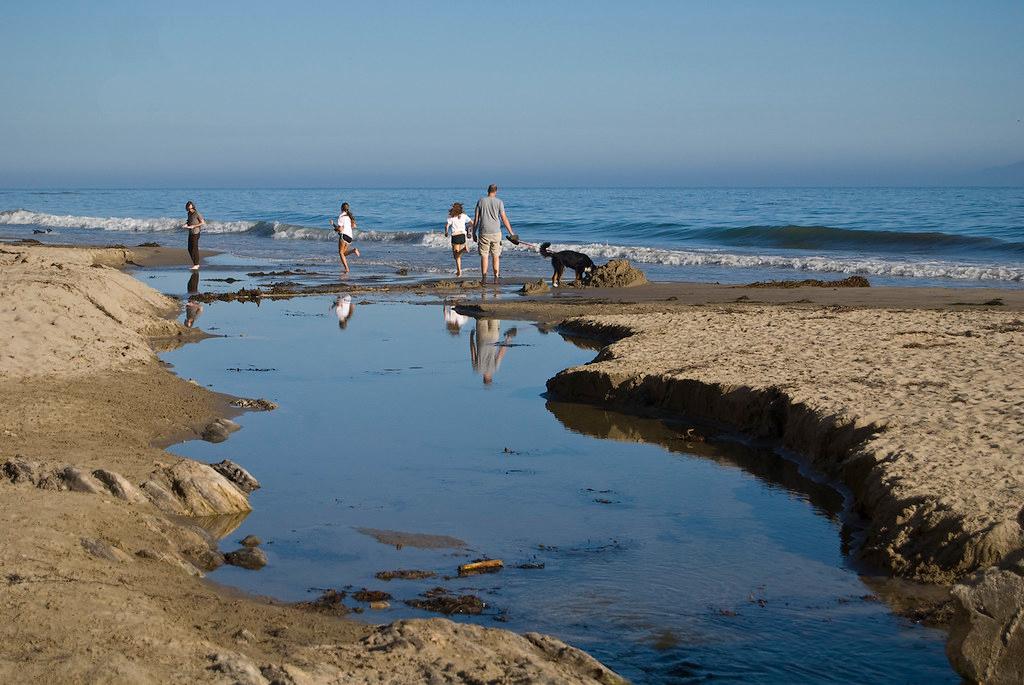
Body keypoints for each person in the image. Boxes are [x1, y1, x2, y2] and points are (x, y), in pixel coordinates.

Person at [472, 184, 516, 284]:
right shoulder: (499, 202)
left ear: (488, 191)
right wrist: (511, 232)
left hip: (484, 232)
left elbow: (476, 219)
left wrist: (474, 232)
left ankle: (484, 277)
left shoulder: (481, 201)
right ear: (496, 191)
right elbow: (504, 218)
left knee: (484, 255)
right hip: (496, 232)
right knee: (496, 255)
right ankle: (496, 276)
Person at [470, 318, 516, 384]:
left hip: (493, 338)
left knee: (494, 316)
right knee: (482, 316)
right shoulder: (477, 369)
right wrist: (471, 336)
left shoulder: (494, 368)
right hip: (482, 338)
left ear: (491, 378)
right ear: (483, 378)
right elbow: (472, 350)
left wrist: (507, 340)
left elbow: (501, 354)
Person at [443, 202, 473, 277]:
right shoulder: (464, 216)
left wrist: (446, 232)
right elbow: (472, 222)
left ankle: (459, 270)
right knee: (458, 256)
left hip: (455, 236)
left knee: (456, 255)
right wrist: (469, 229)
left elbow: (447, 225)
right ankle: (459, 271)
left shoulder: (451, 217)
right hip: (463, 236)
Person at [330, 202, 361, 273]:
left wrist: (333, 225)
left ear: (341, 208)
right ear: (348, 209)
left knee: (340, 253)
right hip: (350, 237)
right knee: (343, 253)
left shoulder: (341, 216)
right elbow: (354, 226)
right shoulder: (350, 217)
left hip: (344, 235)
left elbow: (340, 229)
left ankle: (347, 269)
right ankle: (353, 250)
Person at [183, 200, 205, 270]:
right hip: (190, 232)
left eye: (191, 208)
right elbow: (188, 221)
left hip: (196, 232)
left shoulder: (197, 213)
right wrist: (186, 224)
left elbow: (202, 222)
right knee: (189, 249)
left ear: (193, 207)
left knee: (194, 249)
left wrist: (194, 226)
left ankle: (196, 264)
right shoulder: (189, 213)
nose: (190, 210)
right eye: (188, 209)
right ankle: (195, 263)